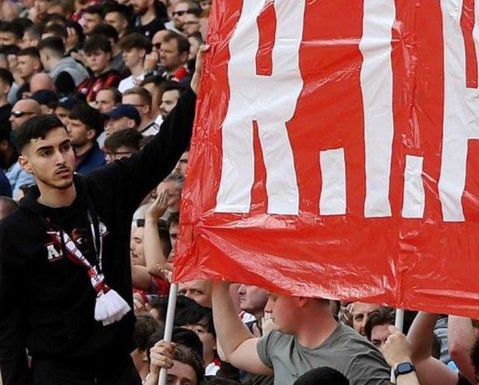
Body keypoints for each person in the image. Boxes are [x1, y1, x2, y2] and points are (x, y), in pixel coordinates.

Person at [0, 47, 199, 383]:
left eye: (65, 147)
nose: (61, 158)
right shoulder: (15, 232)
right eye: (46, 153)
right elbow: (8, 323)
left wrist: (194, 88)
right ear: (25, 164)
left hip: (116, 366)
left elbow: (162, 151)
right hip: (58, 372)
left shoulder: (106, 188)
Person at [211, 284, 391, 384]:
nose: (268, 308)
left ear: (301, 297)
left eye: (274, 298)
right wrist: (219, 286)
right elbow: (235, 348)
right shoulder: (281, 341)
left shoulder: (359, 360)